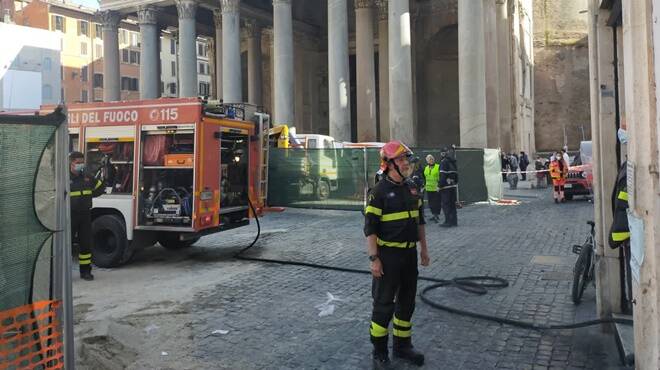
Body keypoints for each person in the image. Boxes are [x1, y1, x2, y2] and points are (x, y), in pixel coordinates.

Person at [364, 140, 430, 368]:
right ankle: (379, 352)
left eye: (406, 159)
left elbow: (419, 221)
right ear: (389, 164)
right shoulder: (379, 192)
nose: (406, 163)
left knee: (406, 303)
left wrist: (424, 249)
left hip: (409, 256)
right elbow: (370, 229)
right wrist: (374, 259)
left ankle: (403, 346)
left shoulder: (412, 188)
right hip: (388, 257)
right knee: (383, 304)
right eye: (401, 159)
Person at [69, 151, 105, 281]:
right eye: (77, 163)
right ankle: (64, 273)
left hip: (85, 214)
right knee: (67, 245)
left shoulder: (87, 177)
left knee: (86, 244)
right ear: (71, 163)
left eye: (81, 162)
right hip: (70, 215)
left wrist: (90, 195)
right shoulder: (64, 178)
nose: (80, 165)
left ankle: (85, 272)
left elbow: (100, 187)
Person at [439, 147, 458, 227]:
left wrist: (439, 186)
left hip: (446, 188)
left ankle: (448, 222)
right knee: (452, 204)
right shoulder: (453, 162)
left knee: (446, 205)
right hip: (453, 187)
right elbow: (457, 175)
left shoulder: (443, 162)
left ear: (442, 153)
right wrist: (455, 182)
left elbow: (443, 175)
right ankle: (454, 221)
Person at [423, 154, 441, 223]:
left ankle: (436, 215)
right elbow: (425, 178)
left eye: (431, 159)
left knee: (436, 202)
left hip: (436, 188)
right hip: (428, 188)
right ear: (427, 161)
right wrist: (424, 186)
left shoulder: (438, 167)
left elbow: (440, 177)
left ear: (434, 159)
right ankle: (434, 215)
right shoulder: (426, 168)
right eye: (429, 159)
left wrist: (439, 185)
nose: (430, 160)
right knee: (431, 203)